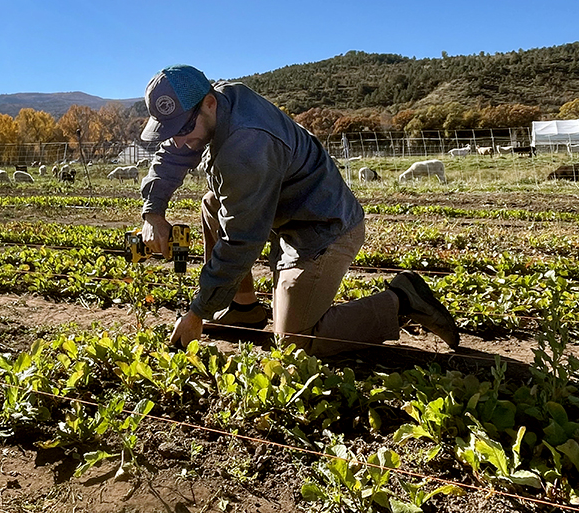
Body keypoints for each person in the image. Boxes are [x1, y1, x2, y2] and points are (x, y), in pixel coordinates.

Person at [138, 64, 459, 356]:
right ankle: (242, 306)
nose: (178, 141)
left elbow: (242, 240)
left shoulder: (245, 145)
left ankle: (401, 300)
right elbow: (173, 153)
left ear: (209, 104)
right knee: (212, 203)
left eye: (182, 129)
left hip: (321, 229)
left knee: (295, 344)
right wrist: (153, 213)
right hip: (286, 214)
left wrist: (198, 312)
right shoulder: (213, 102)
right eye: (170, 130)